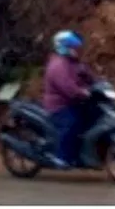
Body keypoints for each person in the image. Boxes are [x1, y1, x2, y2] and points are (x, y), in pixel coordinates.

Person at [42, 30, 94, 168]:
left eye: (76, 47)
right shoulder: (58, 64)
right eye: (73, 47)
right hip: (58, 106)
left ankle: (79, 154)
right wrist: (82, 93)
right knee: (72, 123)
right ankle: (61, 157)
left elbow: (87, 76)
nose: (76, 50)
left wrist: (96, 82)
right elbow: (67, 87)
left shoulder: (72, 62)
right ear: (64, 47)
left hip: (72, 102)